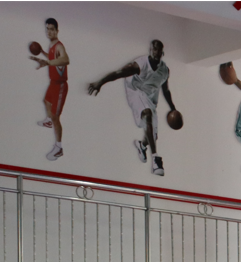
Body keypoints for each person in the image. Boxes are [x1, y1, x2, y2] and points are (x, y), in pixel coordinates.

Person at [87, 39, 176, 177]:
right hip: (135, 90)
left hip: (151, 98)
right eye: (154, 49)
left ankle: (142, 145)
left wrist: (173, 108)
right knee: (147, 114)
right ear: (150, 51)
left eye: (159, 50)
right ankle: (155, 159)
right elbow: (118, 73)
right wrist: (100, 83)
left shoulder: (164, 70)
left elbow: (166, 90)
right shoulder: (139, 65)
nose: (156, 52)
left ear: (162, 53)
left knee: (153, 136)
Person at [30, 17, 68, 160]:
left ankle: (59, 148)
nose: (49, 32)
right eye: (47, 29)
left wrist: (47, 62)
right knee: (45, 101)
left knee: (56, 117)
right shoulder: (51, 46)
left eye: (52, 29)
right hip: (53, 83)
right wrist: (42, 53)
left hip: (60, 85)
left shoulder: (59, 46)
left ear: (57, 31)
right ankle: (48, 120)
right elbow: (52, 58)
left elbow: (66, 59)